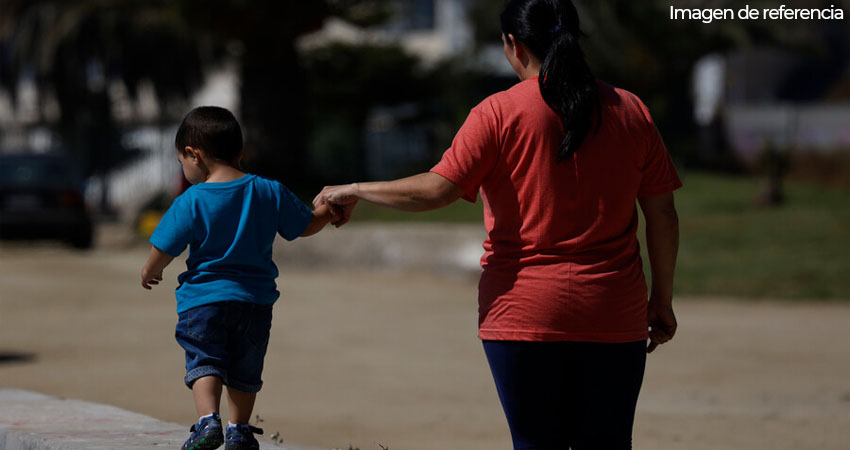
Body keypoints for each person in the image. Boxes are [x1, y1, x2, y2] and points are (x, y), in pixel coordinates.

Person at [313, 0, 681, 448]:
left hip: (523, 312)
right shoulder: (631, 110)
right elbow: (662, 213)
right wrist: (661, 300)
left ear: (513, 44)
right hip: (613, 308)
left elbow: (437, 190)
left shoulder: (497, 113)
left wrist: (355, 189)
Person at [140, 106, 339, 450]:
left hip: (202, 301)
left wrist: (150, 270)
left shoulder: (191, 200)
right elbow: (306, 224)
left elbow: (164, 246)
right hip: (254, 302)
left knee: (204, 360)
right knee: (246, 368)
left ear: (193, 154)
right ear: (240, 151)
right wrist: (329, 210)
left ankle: (207, 421)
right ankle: (239, 430)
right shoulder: (269, 191)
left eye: (181, 162)